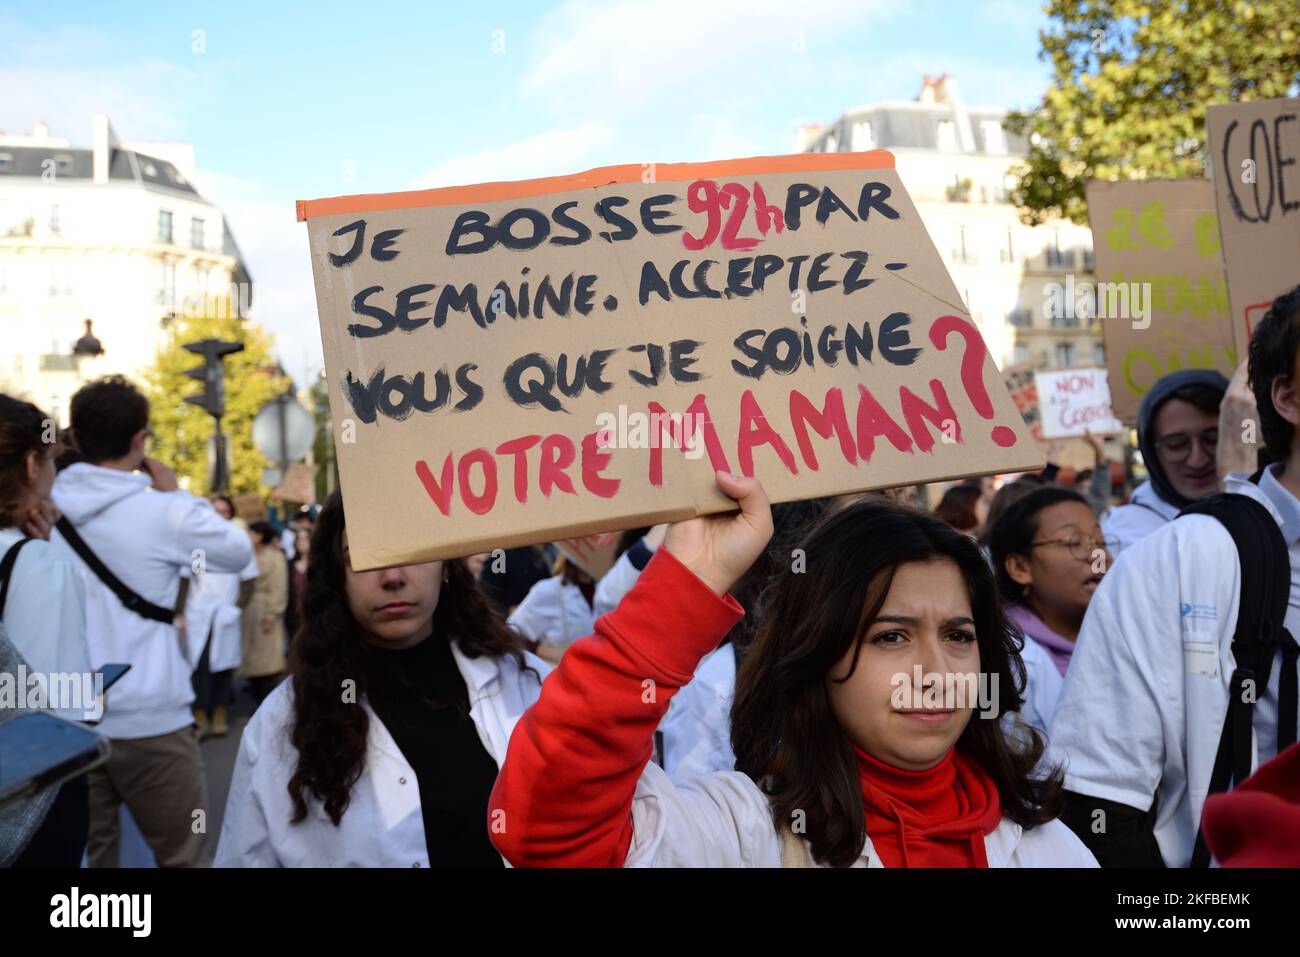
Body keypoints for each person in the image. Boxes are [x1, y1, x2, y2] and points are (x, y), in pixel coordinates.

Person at [489, 472, 1096, 867]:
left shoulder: (1046, 845)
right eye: (891, 637)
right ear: (816, 654)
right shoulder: (741, 836)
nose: (935, 672)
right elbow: (544, 832)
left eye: (958, 636)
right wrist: (688, 583)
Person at [1051, 285, 1300, 867]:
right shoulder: (1178, 559)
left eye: (1207, 440)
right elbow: (1099, 807)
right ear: (1287, 398)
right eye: (1176, 444)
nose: (1193, 457)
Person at [215, 492, 548, 867]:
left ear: (446, 565)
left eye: (413, 549)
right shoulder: (280, 724)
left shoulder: (528, 685)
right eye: (364, 557)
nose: (393, 576)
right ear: (336, 575)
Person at [50, 375, 253, 868]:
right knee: (182, 856)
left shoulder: (42, 507)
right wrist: (177, 496)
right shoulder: (165, 512)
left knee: (89, 863)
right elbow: (236, 551)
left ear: (74, 437)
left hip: (67, 719)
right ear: (140, 440)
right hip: (153, 715)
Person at [0, 395, 93, 866]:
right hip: (25, 823)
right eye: (54, 461)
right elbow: (54, 717)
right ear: (32, 464)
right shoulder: (36, 563)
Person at [987, 487, 1112, 735]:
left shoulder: (1125, 639)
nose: (1097, 557)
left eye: (1100, 542)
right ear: (1020, 567)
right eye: (1072, 542)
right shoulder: (993, 664)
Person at [1101, 369, 1228, 555]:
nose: (1197, 460)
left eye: (1213, 439)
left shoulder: (1273, 505)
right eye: (1176, 445)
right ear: (1151, 452)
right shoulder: (1123, 537)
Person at [186, 495, 258, 738]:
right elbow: (190, 577)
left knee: (223, 667)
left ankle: (219, 713)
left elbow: (249, 580)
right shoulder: (197, 542)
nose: (219, 515)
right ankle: (199, 715)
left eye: (224, 511)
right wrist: (183, 611)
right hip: (199, 613)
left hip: (225, 613)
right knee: (199, 666)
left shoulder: (238, 542)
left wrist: (236, 608)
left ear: (230, 513)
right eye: (214, 510)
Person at [507, 554, 596, 663]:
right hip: (557, 672)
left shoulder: (605, 589)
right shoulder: (548, 590)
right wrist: (541, 649)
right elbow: (512, 631)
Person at [240, 521, 288, 705]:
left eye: (250, 533)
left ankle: (266, 701)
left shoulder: (275, 557)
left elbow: (279, 587)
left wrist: (272, 615)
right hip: (248, 609)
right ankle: (255, 695)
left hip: (265, 609)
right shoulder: (246, 555)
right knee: (250, 656)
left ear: (260, 535)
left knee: (267, 659)